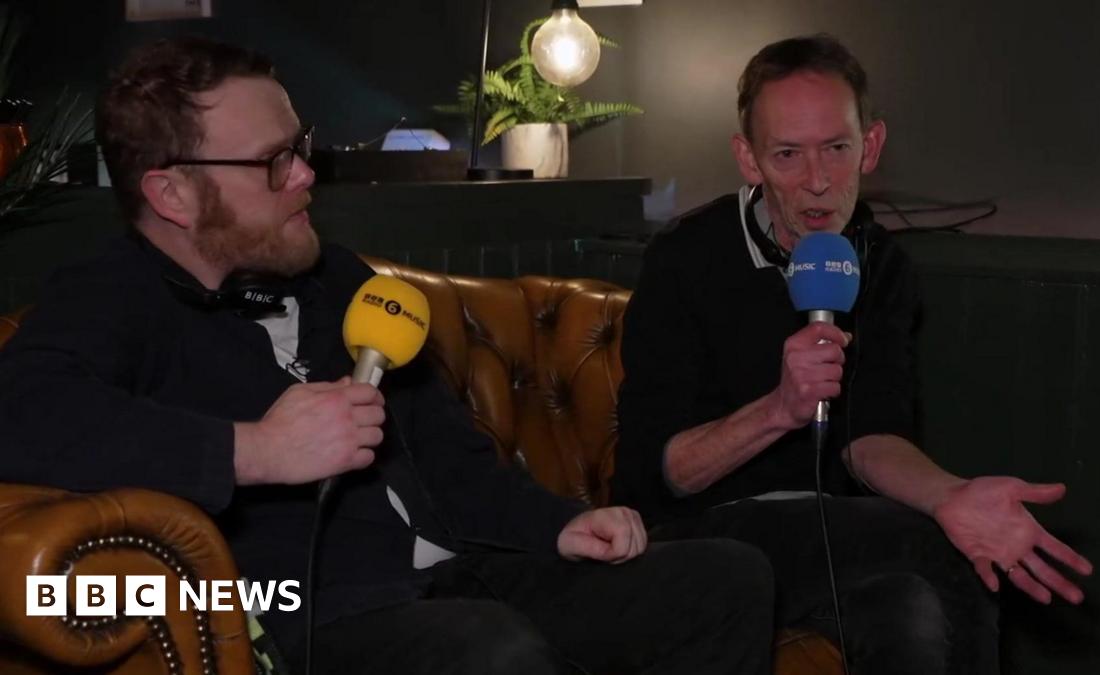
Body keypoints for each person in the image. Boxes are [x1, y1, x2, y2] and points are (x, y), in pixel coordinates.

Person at [0, 37, 776, 675]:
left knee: (722, 578)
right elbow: (22, 413)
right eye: (273, 161)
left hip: (462, 574)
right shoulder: (110, 295)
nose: (305, 174)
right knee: (490, 650)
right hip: (314, 616)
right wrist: (255, 450)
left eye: (299, 147)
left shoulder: (341, 279)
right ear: (171, 194)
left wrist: (559, 526)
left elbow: (453, 463)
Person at [613, 34, 1094, 675]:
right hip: (699, 536)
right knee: (928, 546)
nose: (817, 182)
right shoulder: (685, 258)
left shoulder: (879, 263)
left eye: (837, 149)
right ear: (748, 159)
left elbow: (871, 435)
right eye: (787, 154)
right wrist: (780, 410)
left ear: (869, 146)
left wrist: (951, 495)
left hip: (832, 535)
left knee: (912, 616)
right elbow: (663, 473)